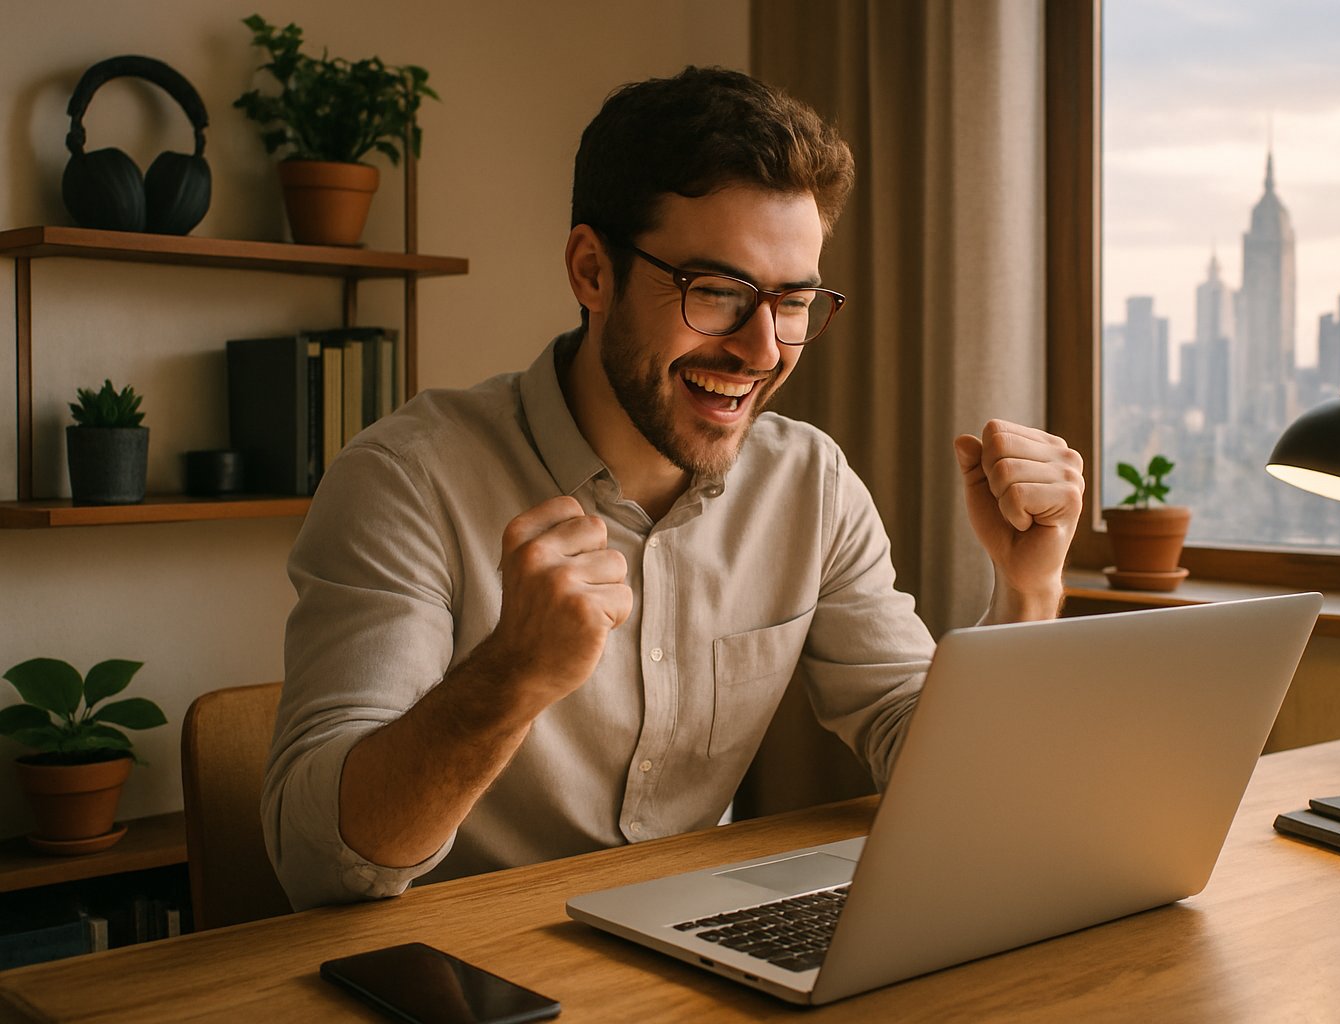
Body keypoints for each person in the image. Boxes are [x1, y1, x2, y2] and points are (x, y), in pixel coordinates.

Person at [262, 66, 1083, 911]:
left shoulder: (810, 482)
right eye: (717, 292)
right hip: (460, 962)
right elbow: (319, 863)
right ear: (592, 271)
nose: (763, 350)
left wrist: (1027, 590)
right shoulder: (406, 480)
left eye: (793, 302)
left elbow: (935, 766)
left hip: (698, 943)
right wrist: (510, 676)